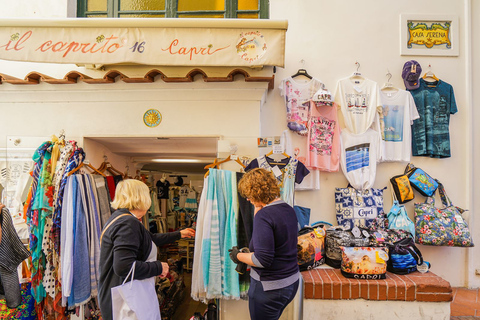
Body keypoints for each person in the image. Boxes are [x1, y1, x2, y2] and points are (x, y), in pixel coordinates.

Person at [98, 179, 195, 320]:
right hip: (124, 299)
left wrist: (179, 233)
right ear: (141, 198)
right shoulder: (127, 223)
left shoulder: (121, 218)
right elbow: (124, 267)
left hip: (117, 293)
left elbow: (151, 238)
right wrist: (158, 267)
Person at [230, 168, 299, 320]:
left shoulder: (264, 215)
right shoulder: (288, 209)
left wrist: (238, 256)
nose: (247, 199)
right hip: (291, 283)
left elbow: (262, 260)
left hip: (270, 289)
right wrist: (258, 208)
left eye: (248, 195)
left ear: (255, 192)